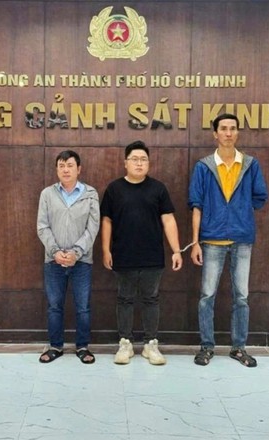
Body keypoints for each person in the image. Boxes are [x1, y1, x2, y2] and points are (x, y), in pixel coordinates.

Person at [188, 113, 268, 368]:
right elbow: (196, 205)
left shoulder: (250, 165)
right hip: (212, 240)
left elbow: (259, 197)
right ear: (215, 133)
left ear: (237, 133)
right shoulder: (204, 166)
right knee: (207, 295)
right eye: (223, 128)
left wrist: (239, 212)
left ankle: (239, 347)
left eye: (233, 128)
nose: (228, 133)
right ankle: (206, 347)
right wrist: (195, 242)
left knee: (241, 296)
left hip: (242, 239)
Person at [100, 140, 183, 366]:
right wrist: (105, 249)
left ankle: (150, 344)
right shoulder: (114, 189)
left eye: (143, 159)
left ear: (149, 163)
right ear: (125, 163)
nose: (139, 163)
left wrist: (176, 250)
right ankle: (125, 343)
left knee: (151, 299)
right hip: (123, 255)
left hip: (152, 256)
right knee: (124, 299)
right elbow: (106, 221)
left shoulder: (158, 188)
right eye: (134, 159)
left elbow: (168, 220)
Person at [37, 150, 100, 364]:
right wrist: (55, 251)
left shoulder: (90, 194)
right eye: (61, 165)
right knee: (55, 306)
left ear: (78, 169)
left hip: (82, 261)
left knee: (83, 306)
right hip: (53, 260)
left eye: (70, 165)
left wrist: (76, 252)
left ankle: (83, 347)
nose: (66, 169)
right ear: (57, 169)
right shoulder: (47, 194)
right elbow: (42, 226)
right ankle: (55, 346)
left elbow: (93, 227)